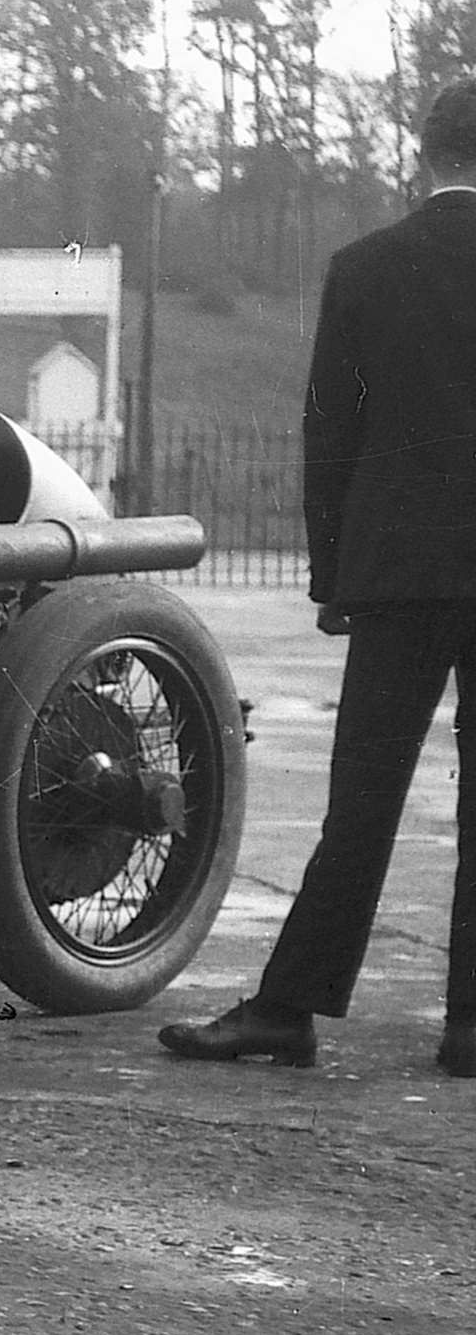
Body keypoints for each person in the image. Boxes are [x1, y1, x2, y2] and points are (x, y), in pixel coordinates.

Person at [161, 77, 476, 1077]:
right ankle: (469, 1028)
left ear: (420, 151)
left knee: (363, 798)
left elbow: (327, 429)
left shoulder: (364, 267)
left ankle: (288, 1007)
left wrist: (331, 573)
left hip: (395, 565)